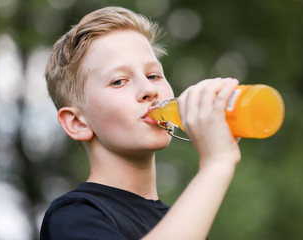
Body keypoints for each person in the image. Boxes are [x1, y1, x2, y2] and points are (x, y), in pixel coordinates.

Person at [40, 6, 241, 240]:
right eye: (118, 81)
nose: (149, 90)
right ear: (77, 122)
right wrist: (216, 164)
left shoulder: (182, 222)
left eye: (153, 75)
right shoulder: (74, 215)